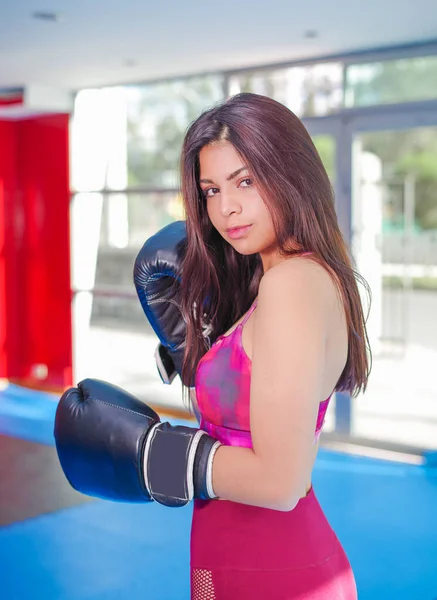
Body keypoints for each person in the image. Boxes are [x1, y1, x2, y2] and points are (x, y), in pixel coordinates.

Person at [55, 93, 371, 599]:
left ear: (290, 173)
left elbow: (281, 482)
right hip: (229, 560)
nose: (227, 208)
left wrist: (155, 455)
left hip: (274, 572)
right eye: (210, 190)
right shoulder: (283, 279)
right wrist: (199, 357)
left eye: (245, 180)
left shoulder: (290, 285)